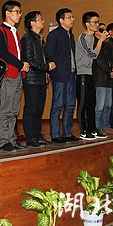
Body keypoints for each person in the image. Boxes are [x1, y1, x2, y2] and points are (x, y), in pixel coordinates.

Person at [0, 0, 30, 152]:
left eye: (20, 12)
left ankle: (11, 139)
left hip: (18, 74)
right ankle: (3, 141)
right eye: (16, 12)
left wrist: (23, 65)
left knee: (14, 110)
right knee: (6, 109)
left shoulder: (15, 31)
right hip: (8, 75)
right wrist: (20, 64)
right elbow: (3, 53)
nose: (19, 15)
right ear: (7, 13)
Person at [21, 11, 56, 147]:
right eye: (40, 19)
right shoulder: (27, 39)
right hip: (31, 79)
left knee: (39, 109)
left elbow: (43, 57)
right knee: (31, 108)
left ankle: (37, 135)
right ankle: (30, 138)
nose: (43, 21)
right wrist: (46, 67)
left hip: (41, 78)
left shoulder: (40, 39)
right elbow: (29, 60)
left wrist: (48, 64)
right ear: (32, 23)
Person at [45, 8, 80, 144]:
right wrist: (54, 69)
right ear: (61, 20)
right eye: (69, 17)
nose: (72, 20)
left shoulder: (70, 35)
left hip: (71, 73)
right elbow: (49, 53)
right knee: (58, 104)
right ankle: (55, 134)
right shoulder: (54, 34)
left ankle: (67, 133)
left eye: (72, 17)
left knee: (70, 104)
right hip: (60, 74)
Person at [75, 11, 109, 140]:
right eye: (95, 22)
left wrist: (100, 40)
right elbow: (93, 54)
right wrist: (100, 40)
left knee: (92, 103)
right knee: (83, 103)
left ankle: (92, 129)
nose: (97, 25)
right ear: (87, 24)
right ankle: (83, 131)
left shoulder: (94, 38)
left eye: (98, 22)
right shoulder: (82, 38)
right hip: (82, 73)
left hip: (90, 73)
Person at [93, 24, 113, 135]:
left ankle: (106, 126)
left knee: (108, 105)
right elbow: (98, 60)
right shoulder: (95, 43)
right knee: (100, 105)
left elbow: (111, 58)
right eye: (101, 31)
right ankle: (98, 127)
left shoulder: (107, 44)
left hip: (108, 79)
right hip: (99, 78)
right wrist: (109, 70)